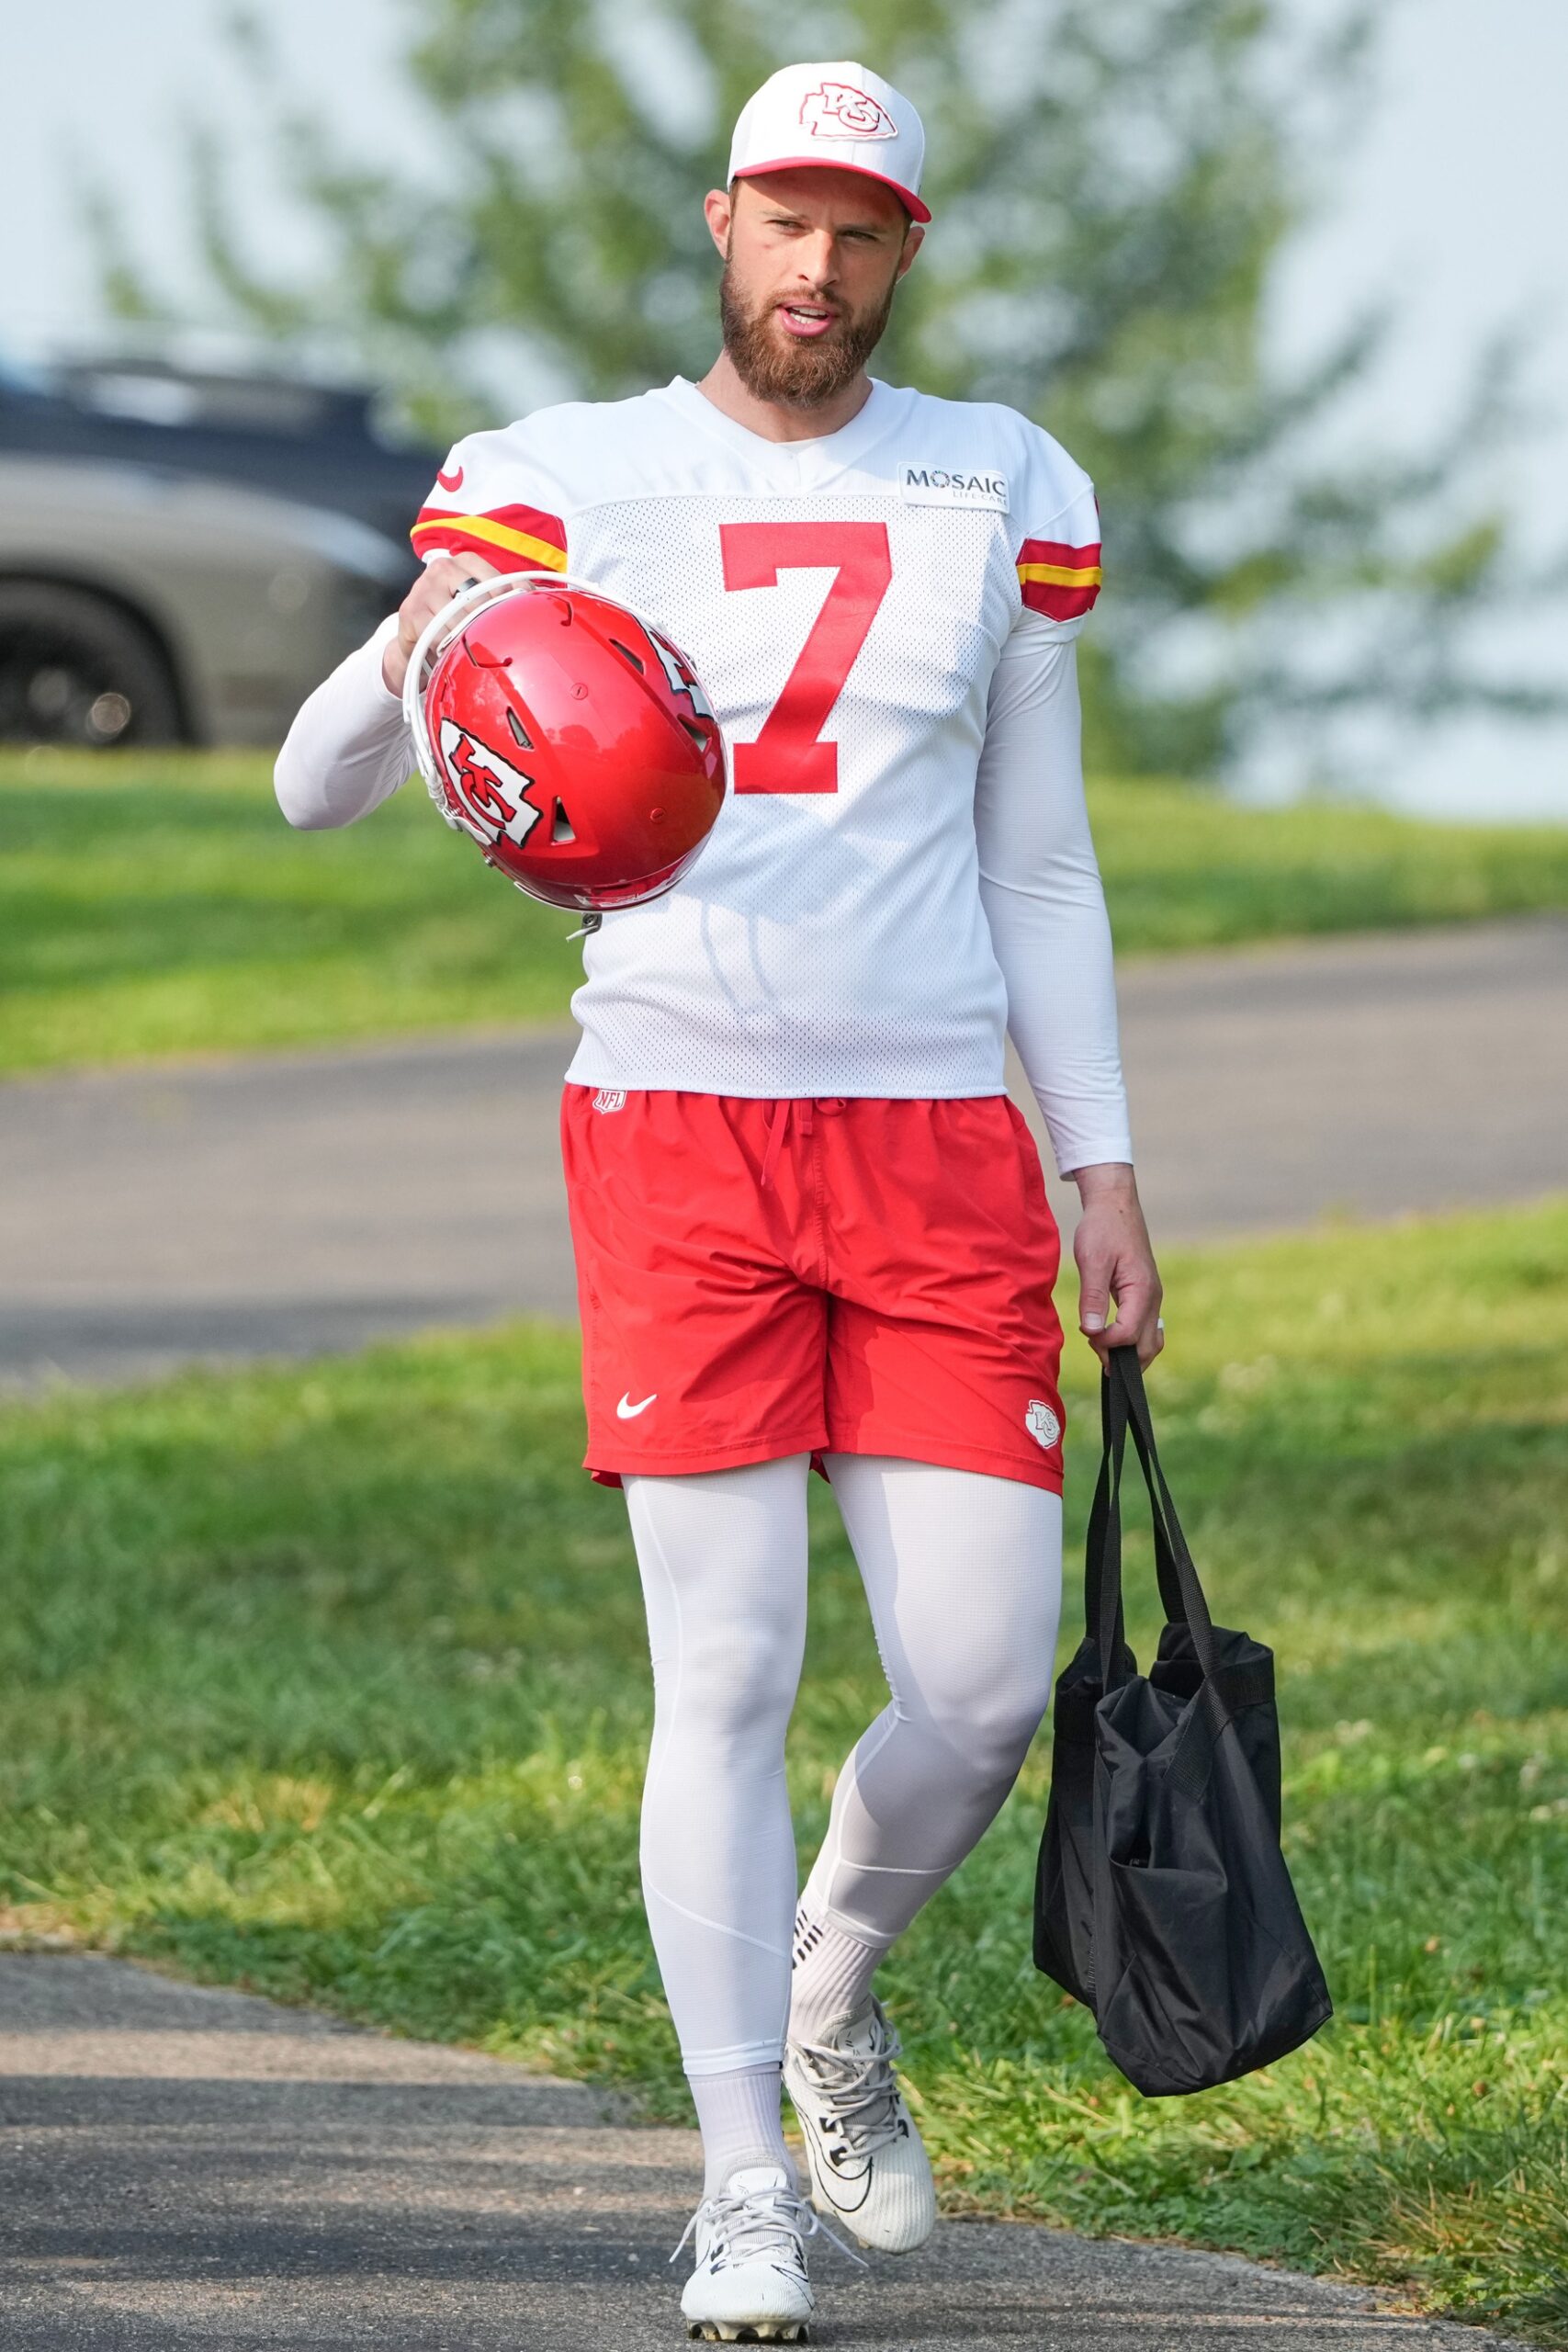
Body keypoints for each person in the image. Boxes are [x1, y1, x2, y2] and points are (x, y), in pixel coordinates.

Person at [276, 57, 1164, 2346]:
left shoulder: (1002, 480)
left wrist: (1103, 1159)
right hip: (675, 1114)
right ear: (719, 222)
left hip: (931, 1132)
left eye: (861, 227)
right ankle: (737, 2177)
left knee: (972, 1685)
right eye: (786, 218)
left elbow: (1035, 859)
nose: (819, 265)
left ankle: (827, 1980)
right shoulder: (568, 473)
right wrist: (425, 636)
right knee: (730, 1663)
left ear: (907, 246)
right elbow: (306, 795)